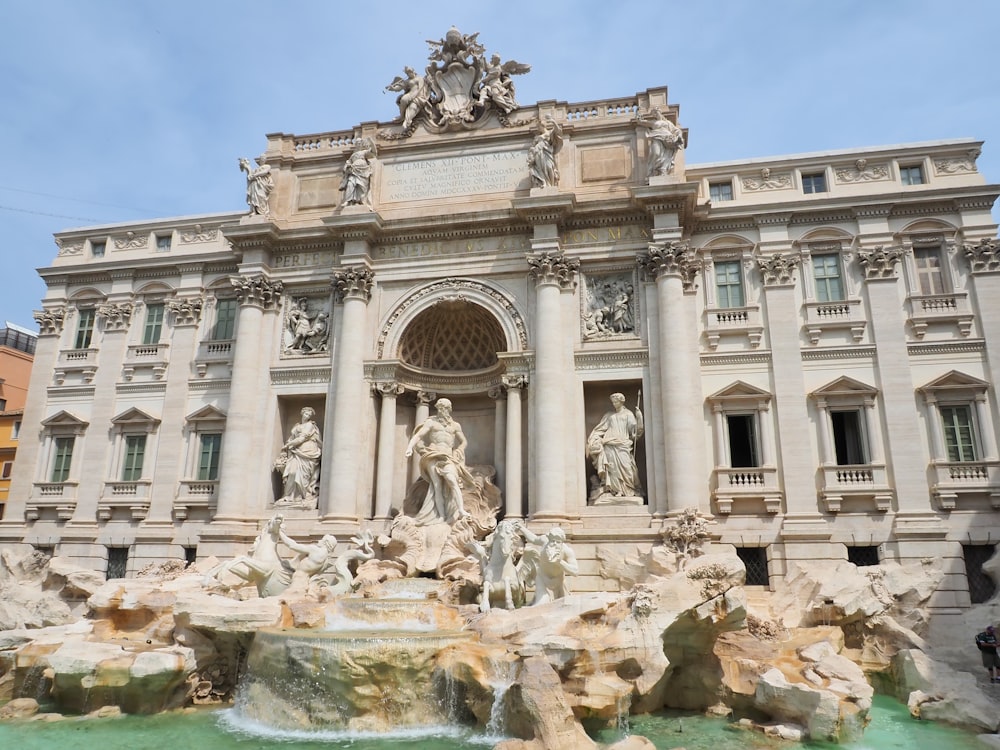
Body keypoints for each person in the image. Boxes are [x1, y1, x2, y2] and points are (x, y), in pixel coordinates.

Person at [404, 398, 474, 525]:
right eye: (440, 408)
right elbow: (419, 435)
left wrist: (459, 449)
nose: (443, 410)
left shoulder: (455, 425)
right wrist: (410, 447)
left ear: (450, 409)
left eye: (445, 408)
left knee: (453, 481)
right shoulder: (431, 422)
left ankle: (461, 510)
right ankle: (441, 516)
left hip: (448, 456)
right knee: (437, 486)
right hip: (433, 454)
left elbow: (464, 441)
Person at [587, 393, 644, 502]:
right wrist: (595, 440)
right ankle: (615, 491)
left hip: (623, 445)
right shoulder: (609, 415)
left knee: (627, 467)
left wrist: (639, 418)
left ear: (621, 401)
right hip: (609, 445)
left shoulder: (628, 414)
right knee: (612, 468)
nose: (614, 404)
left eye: (616, 402)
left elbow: (635, 432)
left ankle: (628, 490)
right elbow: (600, 430)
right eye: (613, 402)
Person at [275, 407, 323, 507]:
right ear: (302, 414)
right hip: (296, 451)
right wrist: (289, 445)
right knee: (292, 472)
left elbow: (302, 438)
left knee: (302, 475)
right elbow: (292, 438)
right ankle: (289, 496)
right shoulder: (297, 426)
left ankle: (300, 497)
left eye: (309, 415)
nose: (307, 416)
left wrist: (288, 445)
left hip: (308, 450)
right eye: (306, 414)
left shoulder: (310, 425)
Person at [520, 526, 578, 605]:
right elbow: (533, 539)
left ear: (562, 542)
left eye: (558, 542)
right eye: (553, 541)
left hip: (559, 582)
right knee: (541, 605)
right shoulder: (544, 540)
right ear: (549, 539)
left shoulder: (567, 551)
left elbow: (575, 571)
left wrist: (559, 562)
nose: (555, 544)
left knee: (564, 606)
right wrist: (521, 528)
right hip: (542, 579)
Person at [634, 108, 684, 178]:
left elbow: (677, 130)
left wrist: (679, 136)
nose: (655, 114)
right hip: (656, 137)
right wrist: (638, 115)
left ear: (660, 112)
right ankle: (653, 170)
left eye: (656, 112)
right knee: (656, 153)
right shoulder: (653, 122)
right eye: (654, 113)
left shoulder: (668, 122)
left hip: (667, 139)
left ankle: (662, 170)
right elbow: (640, 122)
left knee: (666, 155)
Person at [340, 138, 376, 208]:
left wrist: (371, 143)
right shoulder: (353, 155)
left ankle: (360, 200)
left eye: (360, 143)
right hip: (353, 171)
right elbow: (347, 164)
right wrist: (347, 167)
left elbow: (373, 153)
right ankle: (348, 201)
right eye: (357, 143)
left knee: (361, 186)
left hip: (363, 172)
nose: (358, 144)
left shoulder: (364, 152)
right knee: (350, 184)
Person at [528, 116, 561, 188]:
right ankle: (544, 182)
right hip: (538, 153)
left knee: (549, 167)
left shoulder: (550, 133)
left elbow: (558, 131)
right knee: (539, 169)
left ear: (542, 126)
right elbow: (532, 147)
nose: (538, 128)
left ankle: (551, 184)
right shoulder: (537, 137)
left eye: (538, 126)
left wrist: (553, 121)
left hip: (547, 153)